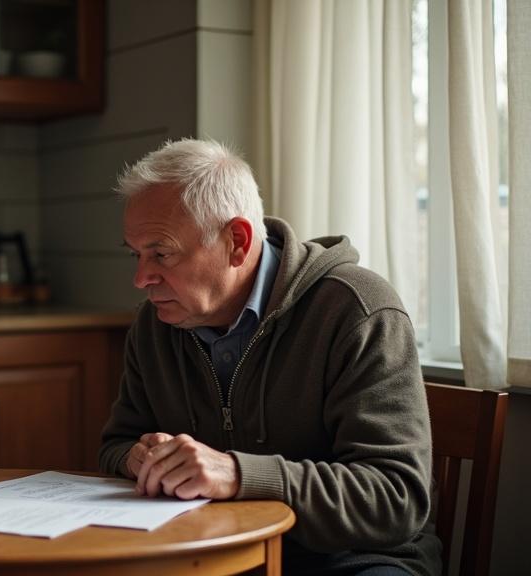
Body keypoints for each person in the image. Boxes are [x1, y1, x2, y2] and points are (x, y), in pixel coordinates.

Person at [100, 138, 440, 575]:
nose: (141, 278)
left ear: (237, 242)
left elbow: (396, 499)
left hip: (351, 560)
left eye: (161, 253)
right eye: (136, 254)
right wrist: (140, 458)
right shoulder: (156, 325)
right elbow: (115, 444)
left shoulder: (356, 310)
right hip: (213, 552)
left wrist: (238, 476)